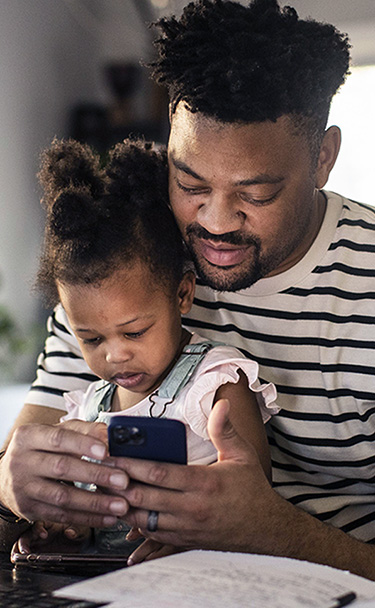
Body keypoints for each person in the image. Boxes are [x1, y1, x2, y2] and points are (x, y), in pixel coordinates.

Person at [1, 0, 375, 580]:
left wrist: (271, 532)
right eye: (190, 182)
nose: (217, 223)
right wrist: (11, 486)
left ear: (323, 157)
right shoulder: (132, 256)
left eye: (257, 193)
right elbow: (24, 455)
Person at [6, 136, 277, 562]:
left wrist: (196, 533)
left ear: (183, 295)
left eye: (134, 332)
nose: (114, 356)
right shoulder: (87, 408)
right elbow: (74, 504)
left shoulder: (214, 384)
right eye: (91, 339)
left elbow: (252, 504)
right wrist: (61, 524)